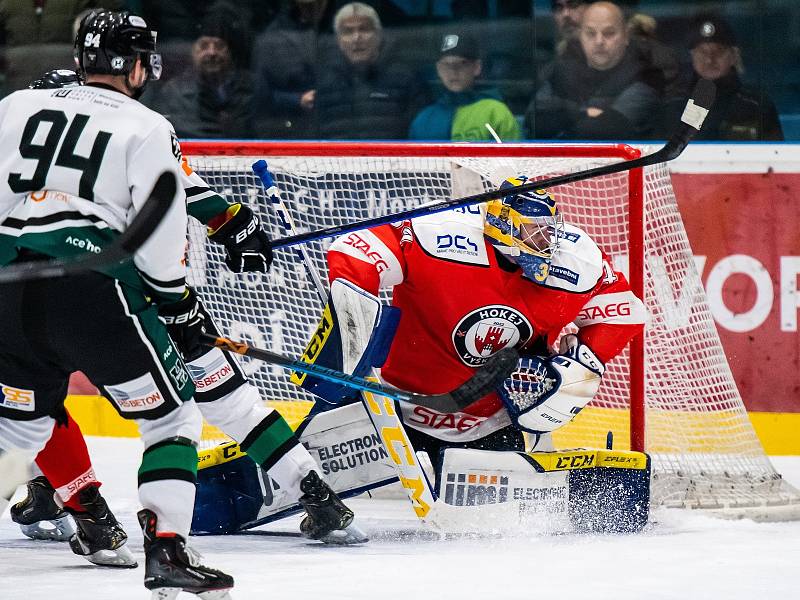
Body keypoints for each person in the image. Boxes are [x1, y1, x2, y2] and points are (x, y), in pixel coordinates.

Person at [11, 65, 365, 549]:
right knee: (229, 402)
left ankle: (89, 513)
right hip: (161, 300)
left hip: (99, 304)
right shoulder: (129, 131)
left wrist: (231, 226)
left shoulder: (38, 150)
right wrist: (235, 225)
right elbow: (191, 191)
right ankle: (316, 493)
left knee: (34, 405)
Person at [0, 9, 235, 596]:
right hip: (90, 289)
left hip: (5, 287)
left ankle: (86, 511)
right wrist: (176, 307)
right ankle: (167, 553)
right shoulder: (148, 125)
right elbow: (161, 233)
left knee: (20, 433)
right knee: (171, 418)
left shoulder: (16, 106)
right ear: (135, 64)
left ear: (81, 60)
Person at [299, 177, 645, 474]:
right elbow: (354, 249)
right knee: (306, 484)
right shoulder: (436, 234)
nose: (546, 243)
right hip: (391, 408)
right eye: (534, 232)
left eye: (549, 232)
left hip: (488, 420)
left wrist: (584, 361)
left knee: (493, 519)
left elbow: (624, 313)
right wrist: (353, 320)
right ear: (504, 225)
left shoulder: (577, 261)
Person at [526, 0, 660, 139]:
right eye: (590, 33)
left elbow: (608, 129)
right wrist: (584, 113)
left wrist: (564, 117)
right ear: (581, 37)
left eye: (609, 33)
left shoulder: (646, 76)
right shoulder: (561, 71)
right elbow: (535, 121)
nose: (599, 41)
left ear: (625, 37)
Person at [313, 2, 428, 139]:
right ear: (338, 40)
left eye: (364, 29)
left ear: (379, 35)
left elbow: (419, 134)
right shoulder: (326, 83)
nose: (356, 38)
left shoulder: (406, 79)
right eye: (348, 31)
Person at [662, 14, 783, 141]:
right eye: (702, 51)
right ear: (692, 56)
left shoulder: (756, 105)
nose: (709, 59)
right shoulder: (673, 104)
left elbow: (776, 156)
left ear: (733, 56)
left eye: (718, 51)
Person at [144, 5, 256, 138]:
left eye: (219, 46)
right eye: (204, 46)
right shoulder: (174, 92)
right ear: (192, 51)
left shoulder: (253, 88)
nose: (212, 52)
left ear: (231, 53)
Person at [409, 32, 520, 141]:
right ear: (438, 69)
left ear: (476, 67)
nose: (453, 71)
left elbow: (516, 157)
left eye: (462, 63)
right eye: (446, 65)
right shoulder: (424, 119)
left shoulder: (495, 113)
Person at [251, 0, 334, 138]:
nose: (312, 8)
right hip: (291, 131)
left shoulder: (343, 27)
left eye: (318, 3)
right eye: (307, 5)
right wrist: (297, 100)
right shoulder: (273, 38)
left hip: (338, 130)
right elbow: (261, 96)